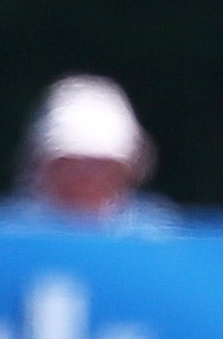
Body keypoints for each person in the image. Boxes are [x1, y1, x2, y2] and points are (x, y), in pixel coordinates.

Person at [12, 74, 176, 227]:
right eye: (72, 161)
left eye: (100, 163)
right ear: (42, 164)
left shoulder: (158, 233)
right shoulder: (8, 232)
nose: (86, 174)